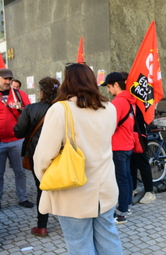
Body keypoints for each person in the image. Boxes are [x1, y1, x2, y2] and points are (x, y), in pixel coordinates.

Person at [33, 63, 122, 254]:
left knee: (79, 244)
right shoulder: (109, 108)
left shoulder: (61, 110)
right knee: (109, 238)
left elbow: (43, 157)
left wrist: (47, 180)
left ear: (67, 82)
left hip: (73, 190)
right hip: (105, 188)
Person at [14, 77, 60, 236]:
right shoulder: (64, 108)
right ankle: (67, 219)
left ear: (41, 92)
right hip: (60, 155)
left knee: (42, 188)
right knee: (63, 186)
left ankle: (42, 226)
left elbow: (18, 131)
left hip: (37, 155)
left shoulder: (31, 109)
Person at [101, 72, 136, 224]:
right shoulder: (131, 101)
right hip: (128, 144)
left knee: (121, 180)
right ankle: (127, 205)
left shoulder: (117, 103)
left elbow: (110, 127)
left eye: (109, 87)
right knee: (127, 177)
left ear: (116, 84)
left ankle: (121, 212)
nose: (108, 90)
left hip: (118, 146)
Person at [120, 72, 156, 204]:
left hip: (139, 134)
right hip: (129, 135)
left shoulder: (138, 97)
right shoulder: (128, 98)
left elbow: (143, 116)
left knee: (142, 163)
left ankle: (149, 191)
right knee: (132, 164)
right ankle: (133, 188)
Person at [0, 68, 33, 209]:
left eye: (10, 79)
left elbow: (31, 112)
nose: (8, 82)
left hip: (17, 140)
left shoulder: (20, 94)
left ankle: (23, 197)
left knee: (20, 171)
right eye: (5, 79)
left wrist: (22, 109)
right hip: (0, 141)